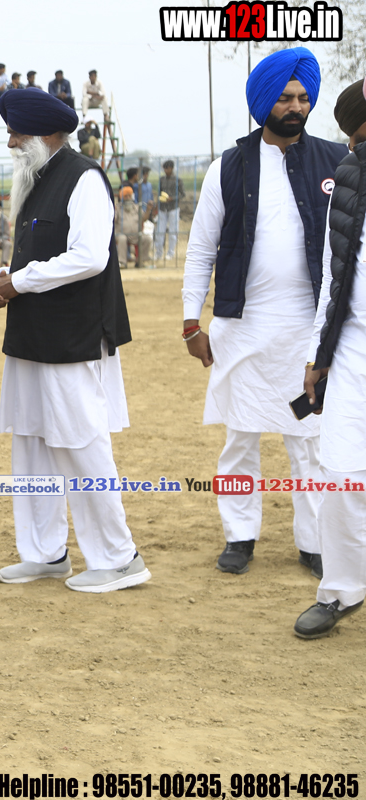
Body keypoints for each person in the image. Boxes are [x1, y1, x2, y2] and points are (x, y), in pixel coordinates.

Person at [183, 47, 342, 577]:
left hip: (309, 330)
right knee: (240, 437)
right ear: (263, 101)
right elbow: (201, 250)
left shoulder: (335, 161)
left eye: (303, 98)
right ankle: (239, 536)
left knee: (308, 440)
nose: (295, 107)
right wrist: (190, 322)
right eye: (285, 97)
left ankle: (314, 542)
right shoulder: (228, 167)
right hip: (242, 328)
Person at [0, 87, 149, 593]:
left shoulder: (84, 178)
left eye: (16, 133)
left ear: (45, 134)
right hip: (31, 335)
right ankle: (45, 553)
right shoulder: (38, 179)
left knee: (81, 445)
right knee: (32, 443)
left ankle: (119, 558)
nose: (11, 142)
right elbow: (42, 252)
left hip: (72, 337)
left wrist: (20, 281)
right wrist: (7, 276)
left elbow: (89, 257)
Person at [294, 79, 366, 638]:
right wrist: (317, 355)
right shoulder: (348, 177)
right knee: (341, 473)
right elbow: (333, 274)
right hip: (354, 349)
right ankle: (342, 588)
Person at [115, 186, 153, 268]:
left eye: (129, 196)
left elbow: (144, 219)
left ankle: (140, 261)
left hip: (136, 234)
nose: (128, 198)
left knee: (147, 239)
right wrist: (113, 211)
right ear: (122, 198)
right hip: (121, 234)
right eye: (125, 196)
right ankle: (122, 262)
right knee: (122, 238)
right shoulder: (118, 208)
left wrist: (148, 210)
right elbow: (113, 220)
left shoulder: (137, 207)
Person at [156, 160, 184, 260]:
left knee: (173, 231)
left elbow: (182, 194)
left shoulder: (177, 180)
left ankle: (170, 253)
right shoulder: (162, 180)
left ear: (171, 168)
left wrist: (173, 198)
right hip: (162, 208)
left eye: (167, 168)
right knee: (160, 231)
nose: (165, 170)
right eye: (164, 169)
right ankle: (158, 253)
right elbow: (159, 192)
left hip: (173, 208)